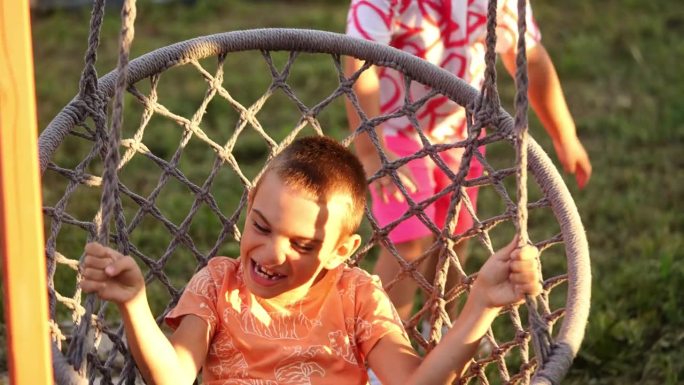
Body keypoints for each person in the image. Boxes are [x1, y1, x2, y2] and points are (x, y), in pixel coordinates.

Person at [81, 136, 543, 385]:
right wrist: (135, 303)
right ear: (249, 206)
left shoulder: (357, 294)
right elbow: (175, 377)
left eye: (302, 245)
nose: (271, 253)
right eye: (260, 226)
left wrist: (481, 304)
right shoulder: (219, 284)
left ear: (341, 251)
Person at [344, 0, 592, 322]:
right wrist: (369, 147)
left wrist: (565, 134)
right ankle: (385, 349)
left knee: (455, 237)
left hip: (461, 132)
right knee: (409, 243)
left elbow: (528, 58)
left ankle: (442, 325)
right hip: (393, 131)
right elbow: (359, 62)